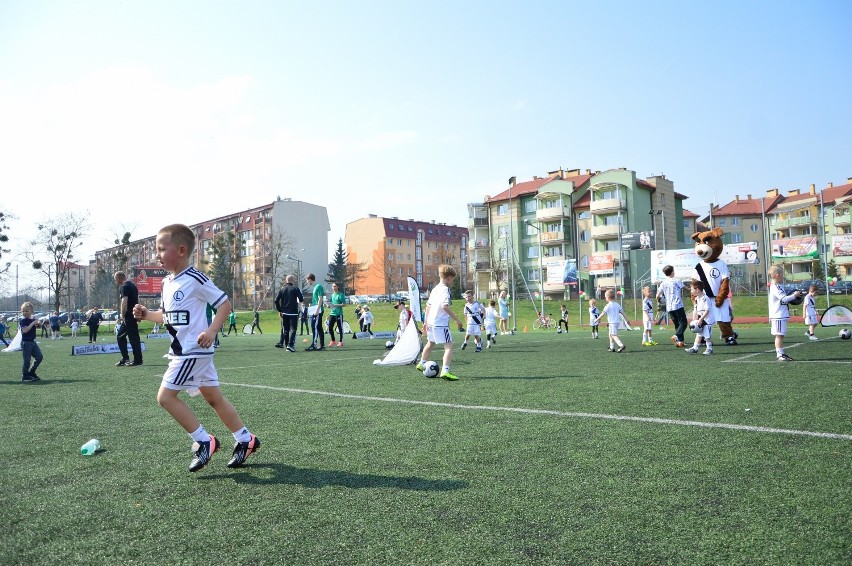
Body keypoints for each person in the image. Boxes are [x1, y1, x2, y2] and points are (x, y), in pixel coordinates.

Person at [132, 223, 259, 472]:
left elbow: (224, 305)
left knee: (166, 398)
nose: (157, 255)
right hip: (184, 352)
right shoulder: (168, 283)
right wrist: (148, 315)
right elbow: (168, 317)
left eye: (161, 249)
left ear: (180, 250)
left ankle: (203, 440)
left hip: (192, 351)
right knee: (214, 398)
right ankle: (246, 439)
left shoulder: (196, 279)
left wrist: (211, 331)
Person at [416, 264, 465, 380]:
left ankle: (421, 363)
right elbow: (445, 306)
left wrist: (425, 321)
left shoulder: (435, 289)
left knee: (430, 343)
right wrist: (457, 320)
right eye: (452, 279)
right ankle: (445, 371)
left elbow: (428, 306)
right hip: (440, 323)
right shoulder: (445, 290)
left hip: (431, 322)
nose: (452, 281)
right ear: (448, 278)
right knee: (449, 346)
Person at [767, 264, 800, 362]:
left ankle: (781, 353)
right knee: (779, 335)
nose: (783, 277)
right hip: (778, 315)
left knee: (781, 335)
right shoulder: (776, 287)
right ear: (777, 275)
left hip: (780, 315)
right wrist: (795, 295)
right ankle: (780, 354)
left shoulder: (778, 286)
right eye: (782, 274)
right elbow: (784, 299)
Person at [114, 271, 144, 367]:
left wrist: (123, 316)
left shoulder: (124, 287)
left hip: (128, 316)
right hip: (133, 315)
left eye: (116, 280)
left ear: (119, 278)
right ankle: (127, 359)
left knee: (129, 337)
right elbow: (136, 301)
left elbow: (124, 302)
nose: (116, 282)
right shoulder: (133, 286)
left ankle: (136, 360)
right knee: (125, 336)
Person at [656, 265, 688, 348]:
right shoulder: (676, 281)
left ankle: (680, 342)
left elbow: (658, 295)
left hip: (669, 306)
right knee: (684, 322)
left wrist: (659, 300)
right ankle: (676, 336)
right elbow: (686, 288)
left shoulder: (663, 283)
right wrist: (692, 290)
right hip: (678, 305)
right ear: (672, 271)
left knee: (677, 324)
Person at [274, 274, 303, 352]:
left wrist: (280, 310)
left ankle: (287, 345)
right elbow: (301, 298)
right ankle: (290, 345)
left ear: (286, 281)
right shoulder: (295, 289)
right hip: (293, 313)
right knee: (293, 329)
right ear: (293, 280)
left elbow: (276, 301)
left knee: (286, 330)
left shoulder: (282, 289)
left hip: (284, 313)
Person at [685, 280, 715, 355]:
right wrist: (695, 319)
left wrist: (701, 319)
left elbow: (707, 310)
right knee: (699, 334)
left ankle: (709, 348)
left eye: (692, 289)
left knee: (707, 335)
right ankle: (695, 348)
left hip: (707, 320)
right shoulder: (697, 298)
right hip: (701, 319)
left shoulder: (705, 298)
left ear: (697, 289)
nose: (691, 291)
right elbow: (696, 310)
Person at [18, 302, 44, 382]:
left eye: (27, 311)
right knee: (27, 360)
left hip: (32, 342)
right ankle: (25, 376)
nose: (25, 313)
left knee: (39, 357)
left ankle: (31, 373)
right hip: (26, 343)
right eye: (23, 311)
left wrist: (39, 323)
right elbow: (25, 330)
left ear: (31, 311)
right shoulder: (23, 321)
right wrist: (33, 323)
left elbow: (40, 325)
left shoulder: (31, 320)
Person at [305, 273, 326, 351]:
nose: (307, 282)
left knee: (316, 327)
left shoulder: (319, 286)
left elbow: (320, 299)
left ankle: (314, 344)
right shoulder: (314, 287)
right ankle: (322, 345)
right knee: (318, 328)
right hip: (315, 309)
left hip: (318, 310)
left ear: (310, 279)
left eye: (307, 280)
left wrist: (317, 310)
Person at [327, 283, 346, 347]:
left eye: (335, 286)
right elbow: (331, 303)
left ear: (338, 287)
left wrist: (336, 305)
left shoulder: (341, 295)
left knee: (340, 328)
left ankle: (341, 342)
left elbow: (344, 304)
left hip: (339, 314)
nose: (333, 287)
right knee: (329, 328)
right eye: (333, 286)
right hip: (332, 314)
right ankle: (333, 340)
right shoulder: (332, 295)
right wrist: (328, 305)